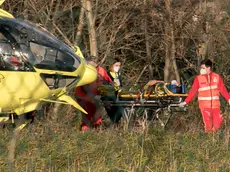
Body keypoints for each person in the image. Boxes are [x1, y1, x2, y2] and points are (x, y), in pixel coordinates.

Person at [179, 59, 230, 132]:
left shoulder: (217, 77)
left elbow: (223, 90)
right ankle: (210, 141)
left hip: (215, 106)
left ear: (208, 68)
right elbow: (193, 91)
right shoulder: (198, 79)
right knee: (208, 127)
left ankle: (213, 138)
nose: (201, 70)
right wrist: (186, 102)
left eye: (203, 68)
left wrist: (228, 99)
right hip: (204, 107)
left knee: (217, 125)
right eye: (201, 68)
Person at [74, 55, 112, 131]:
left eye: (94, 62)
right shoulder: (84, 70)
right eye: (90, 62)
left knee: (97, 117)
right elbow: (83, 86)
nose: (92, 63)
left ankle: (96, 130)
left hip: (96, 97)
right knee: (87, 115)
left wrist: (111, 86)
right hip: (83, 97)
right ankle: (85, 132)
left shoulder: (101, 70)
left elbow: (108, 81)